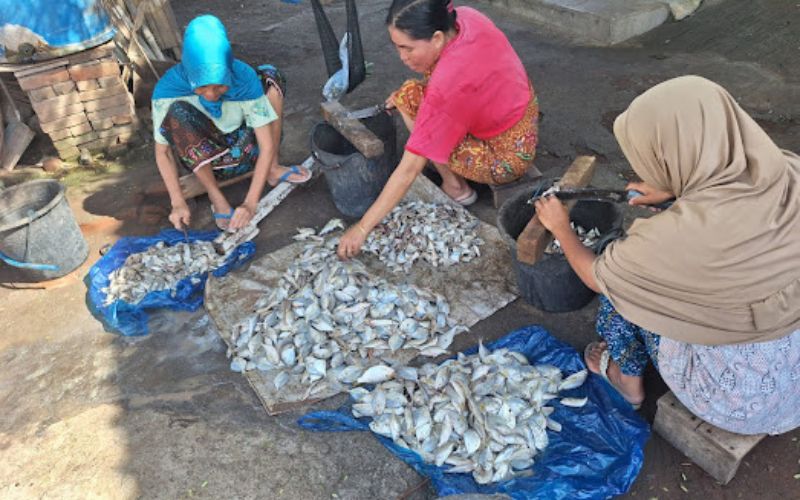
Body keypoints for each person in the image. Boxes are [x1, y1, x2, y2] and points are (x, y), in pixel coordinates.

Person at [535, 75, 800, 435]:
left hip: (739, 401)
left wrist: (561, 228)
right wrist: (674, 195)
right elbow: (731, 223)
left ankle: (627, 383)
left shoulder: (671, 244)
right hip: (793, 375)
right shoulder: (787, 172)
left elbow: (597, 277)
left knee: (623, 292)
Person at [337, 0, 539, 259]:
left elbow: (409, 169)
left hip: (508, 158)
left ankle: (456, 188)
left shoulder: (449, 85)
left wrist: (362, 228)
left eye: (407, 48)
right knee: (408, 94)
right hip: (521, 114)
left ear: (436, 37)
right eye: (397, 47)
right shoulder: (465, 17)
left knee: (411, 104)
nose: (402, 57)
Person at [151, 14, 311, 232]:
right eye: (201, 87)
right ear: (189, 71)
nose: (210, 95)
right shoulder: (168, 90)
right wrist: (178, 202)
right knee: (177, 113)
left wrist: (250, 204)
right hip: (209, 164)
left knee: (270, 75)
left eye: (220, 86)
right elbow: (163, 152)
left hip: (248, 153)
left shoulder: (242, 77)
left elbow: (266, 146)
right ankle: (216, 196)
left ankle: (272, 169)